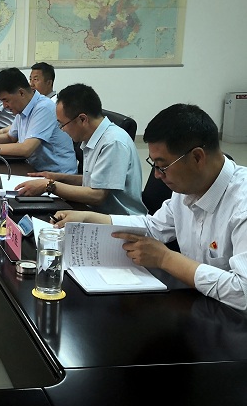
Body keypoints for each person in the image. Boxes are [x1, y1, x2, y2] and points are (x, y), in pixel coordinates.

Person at [53, 104, 247, 311]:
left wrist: (165, 258)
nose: (156, 175)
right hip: (197, 303)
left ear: (197, 157)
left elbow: (242, 292)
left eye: (162, 166)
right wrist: (88, 218)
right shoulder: (188, 188)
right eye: (154, 165)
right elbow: (153, 226)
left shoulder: (241, 204)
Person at [14, 83, 146, 215]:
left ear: (82, 119)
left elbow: (97, 195)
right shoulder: (93, 137)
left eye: (63, 124)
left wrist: (49, 185)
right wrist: (58, 177)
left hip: (119, 220)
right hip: (94, 213)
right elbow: (95, 180)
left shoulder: (113, 142)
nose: (62, 129)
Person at [0, 67, 77, 174]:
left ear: (21, 93)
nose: (4, 106)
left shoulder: (44, 108)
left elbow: (26, 149)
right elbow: (10, 137)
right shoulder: (22, 108)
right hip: (34, 169)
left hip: (58, 176)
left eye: (6, 100)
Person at [0, 61, 58, 136]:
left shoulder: (48, 106)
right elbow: (14, 133)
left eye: (35, 79)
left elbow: (29, 143)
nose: (31, 84)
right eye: (30, 79)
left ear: (49, 83)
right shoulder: (26, 105)